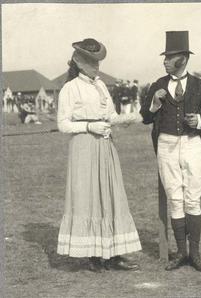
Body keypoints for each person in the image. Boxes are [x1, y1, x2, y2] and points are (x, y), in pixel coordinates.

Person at [57, 38, 142, 272]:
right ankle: (93, 254)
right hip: (83, 147)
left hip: (105, 146)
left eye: (98, 61)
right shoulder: (70, 88)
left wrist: (139, 115)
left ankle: (113, 253)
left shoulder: (101, 86)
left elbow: (111, 116)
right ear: (79, 61)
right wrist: (88, 127)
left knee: (110, 195)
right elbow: (63, 124)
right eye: (92, 61)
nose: (96, 66)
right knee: (88, 196)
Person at [140, 31, 201, 272]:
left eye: (170, 57)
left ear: (183, 59)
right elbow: (145, 117)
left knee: (192, 198)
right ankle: (181, 253)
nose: (165, 61)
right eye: (165, 57)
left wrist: (198, 120)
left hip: (191, 144)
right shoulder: (158, 85)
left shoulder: (200, 85)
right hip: (166, 145)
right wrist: (154, 102)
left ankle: (195, 254)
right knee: (175, 198)